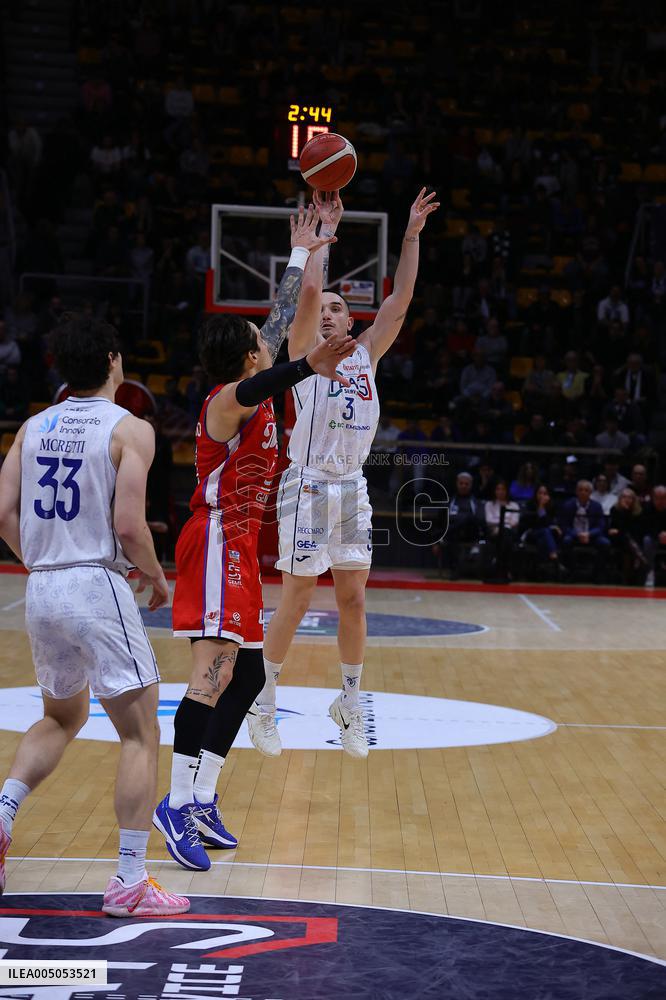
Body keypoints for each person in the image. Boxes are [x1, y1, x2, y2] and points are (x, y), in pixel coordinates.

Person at [153, 205, 357, 872]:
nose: (269, 339)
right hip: (213, 539)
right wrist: (310, 365)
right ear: (247, 358)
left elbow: (277, 326)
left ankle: (204, 795)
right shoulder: (226, 399)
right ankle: (175, 803)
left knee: (244, 676)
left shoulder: (259, 386)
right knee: (210, 678)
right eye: (258, 341)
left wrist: (300, 255)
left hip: (237, 547)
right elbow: (274, 367)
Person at [0, 314, 188, 916]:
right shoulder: (130, 428)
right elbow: (130, 527)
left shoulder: (31, 427)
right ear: (113, 360)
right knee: (141, 730)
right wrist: (158, 579)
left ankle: (2, 814)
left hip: (43, 585)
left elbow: (2, 511)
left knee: (62, 715)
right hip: (94, 583)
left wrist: (44, 558)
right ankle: (130, 882)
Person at [246, 187, 439, 760]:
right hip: (305, 484)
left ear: (350, 318)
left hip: (351, 486)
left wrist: (409, 236)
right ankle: (265, 699)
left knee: (354, 599)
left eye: (337, 308)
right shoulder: (304, 355)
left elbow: (401, 297)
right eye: (321, 308)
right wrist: (321, 243)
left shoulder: (366, 353)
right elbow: (304, 297)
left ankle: (349, 701)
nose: (326, 312)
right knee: (298, 598)